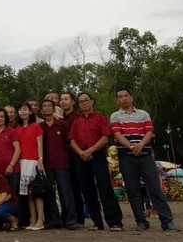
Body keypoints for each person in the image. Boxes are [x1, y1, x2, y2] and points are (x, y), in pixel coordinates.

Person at [110, 88, 176, 231]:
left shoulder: (143, 114)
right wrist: (130, 146)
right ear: (117, 100)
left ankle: (166, 220)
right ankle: (141, 221)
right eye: (120, 97)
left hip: (145, 155)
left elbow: (149, 132)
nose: (123, 99)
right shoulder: (115, 116)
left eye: (126, 96)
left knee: (155, 189)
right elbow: (117, 134)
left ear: (131, 98)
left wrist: (140, 144)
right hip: (126, 156)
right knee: (133, 190)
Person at [69, 92, 123, 231]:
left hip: (97, 154)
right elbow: (72, 140)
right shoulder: (77, 121)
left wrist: (91, 150)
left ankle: (115, 221)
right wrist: (81, 152)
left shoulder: (100, 118)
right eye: (81, 101)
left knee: (105, 187)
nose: (84, 103)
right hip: (81, 156)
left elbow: (105, 137)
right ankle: (96, 221)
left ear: (92, 102)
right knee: (87, 190)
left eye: (86, 100)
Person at [40, 99, 79, 230]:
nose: (46, 108)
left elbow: (70, 142)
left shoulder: (63, 125)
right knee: (49, 193)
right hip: (46, 164)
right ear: (41, 110)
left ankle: (70, 220)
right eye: (44, 106)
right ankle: (54, 219)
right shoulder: (40, 127)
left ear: (54, 108)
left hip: (62, 163)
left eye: (49, 106)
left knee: (65, 192)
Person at [15, 102, 45, 230]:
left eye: (25, 109)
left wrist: (40, 159)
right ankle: (33, 219)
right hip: (22, 163)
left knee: (37, 192)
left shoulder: (36, 126)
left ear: (30, 111)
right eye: (20, 109)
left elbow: (40, 144)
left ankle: (40, 220)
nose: (23, 112)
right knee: (28, 194)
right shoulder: (17, 129)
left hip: (33, 161)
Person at [59, 92, 84, 226]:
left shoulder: (77, 118)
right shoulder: (60, 118)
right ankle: (68, 216)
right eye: (61, 100)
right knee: (66, 189)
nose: (63, 102)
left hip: (76, 155)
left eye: (66, 99)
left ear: (73, 102)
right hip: (63, 158)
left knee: (76, 187)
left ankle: (79, 217)